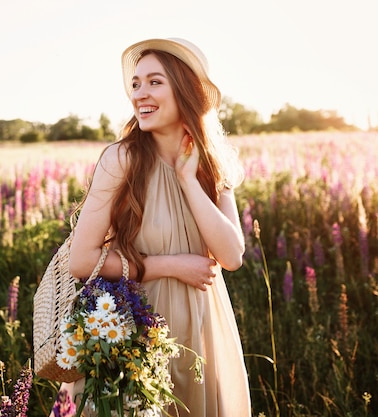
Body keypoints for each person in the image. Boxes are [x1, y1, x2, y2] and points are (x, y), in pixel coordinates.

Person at [54, 38, 251, 416]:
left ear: (186, 90)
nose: (140, 93)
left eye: (154, 82)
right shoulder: (122, 159)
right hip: (132, 333)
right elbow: (81, 260)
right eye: (136, 83)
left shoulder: (212, 165)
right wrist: (172, 265)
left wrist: (189, 180)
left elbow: (231, 255)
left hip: (200, 335)